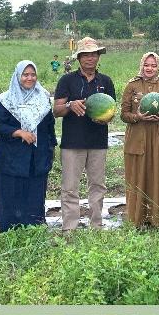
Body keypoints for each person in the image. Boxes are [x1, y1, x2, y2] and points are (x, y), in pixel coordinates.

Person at [52, 36, 116, 232]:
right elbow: (56, 110)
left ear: (98, 57)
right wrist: (71, 105)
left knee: (97, 186)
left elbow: (112, 111)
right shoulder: (67, 80)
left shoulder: (105, 81)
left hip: (98, 142)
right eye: (85, 55)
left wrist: (105, 118)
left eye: (94, 54)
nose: (90, 58)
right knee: (70, 187)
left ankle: (96, 226)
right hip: (73, 143)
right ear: (78, 58)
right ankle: (69, 228)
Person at [0, 60, 56, 232]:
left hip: (38, 156)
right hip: (11, 157)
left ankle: (34, 230)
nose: (30, 78)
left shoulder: (43, 98)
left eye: (33, 74)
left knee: (35, 195)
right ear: (18, 76)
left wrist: (51, 150)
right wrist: (19, 132)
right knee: (11, 194)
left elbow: (49, 127)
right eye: (25, 75)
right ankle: (10, 232)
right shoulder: (6, 99)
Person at [120, 51, 159, 228]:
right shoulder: (132, 85)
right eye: (147, 65)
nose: (149, 68)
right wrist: (137, 116)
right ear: (142, 66)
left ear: (158, 66)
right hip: (138, 138)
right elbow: (123, 114)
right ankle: (136, 219)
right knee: (137, 176)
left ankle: (156, 219)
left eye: (153, 65)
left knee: (158, 177)